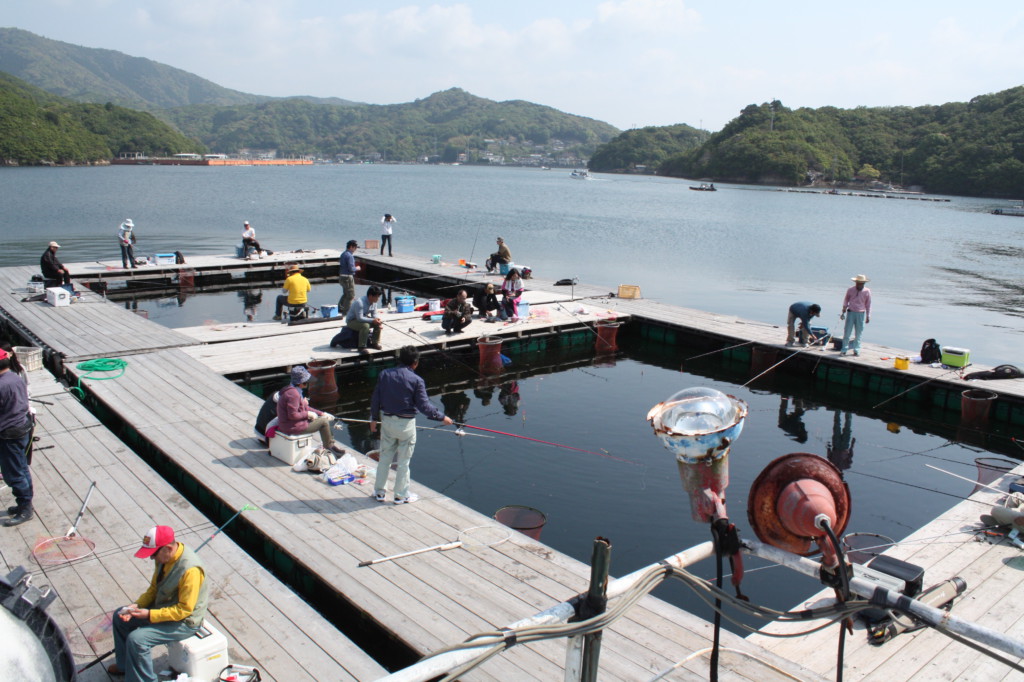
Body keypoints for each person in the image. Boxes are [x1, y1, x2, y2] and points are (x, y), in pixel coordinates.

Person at [108, 525, 209, 681]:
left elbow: (184, 610)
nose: (151, 558)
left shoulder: (191, 570)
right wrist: (136, 606)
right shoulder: (164, 558)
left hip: (185, 621)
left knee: (138, 640)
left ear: (167, 548)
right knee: (119, 615)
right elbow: (154, 589)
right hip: (165, 607)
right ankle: (124, 666)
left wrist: (149, 614)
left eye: (153, 554)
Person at [369, 346, 453, 504]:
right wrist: (442, 417)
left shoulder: (384, 374)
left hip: (387, 421)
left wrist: (373, 419)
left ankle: (379, 492)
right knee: (403, 462)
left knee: (385, 457)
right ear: (415, 363)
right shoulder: (417, 380)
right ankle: (401, 495)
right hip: (406, 424)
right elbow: (424, 406)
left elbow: (376, 398)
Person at [276, 366, 345, 454]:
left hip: (291, 424)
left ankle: (331, 446)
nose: (308, 384)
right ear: (301, 383)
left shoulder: (293, 390)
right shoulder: (293, 394)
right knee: (323, 422)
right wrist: (308, 414)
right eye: (306, 382)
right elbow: (293, 415)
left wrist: (322, 413)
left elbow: (305, 408)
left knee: (323, 418)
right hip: (291, 427)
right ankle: (330, 448)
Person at [0, 348, 33, 527]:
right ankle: (25, 503)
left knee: (14, 474)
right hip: (22, 428)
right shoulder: (14, 376)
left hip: (8, 434)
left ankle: (25, 508)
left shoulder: (2, 385)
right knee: (21, 467)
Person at [840, 274, 872, 357]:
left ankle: (856, 350)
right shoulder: (850, 289)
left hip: (861, 313)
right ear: (856, 282)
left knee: (858, 333)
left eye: (861, 283)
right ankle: (844, 350)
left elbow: (868, 304)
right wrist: (844, 307)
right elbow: (846, 299)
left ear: (864, 283)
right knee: (847, 332)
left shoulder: (867, 291)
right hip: (850, 312)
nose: (859, 284)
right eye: (858, 282)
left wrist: (868, 315)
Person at [346, 285, 383, 352]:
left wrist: (377, 320)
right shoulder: (359, 302)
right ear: (370, 296)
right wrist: (372, 320)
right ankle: (362, 347)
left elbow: (374, 314)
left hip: (363, 318)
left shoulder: (374, 303)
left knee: (377, 324)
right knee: (365, 326)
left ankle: (375, 343)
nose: (378, 299)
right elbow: (359, 318)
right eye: (377, 297)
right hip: (352, 321)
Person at [337, 240, 360, 315]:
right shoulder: (349, 256)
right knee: (350, 295)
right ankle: (347, 312)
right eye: (355, 247)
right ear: (351, 247)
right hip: (347, 277)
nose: (355, 249)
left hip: (341, 276)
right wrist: (357, 268)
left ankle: (340, 308)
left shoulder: (343, 254)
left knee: (346, 294)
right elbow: (351, 268)